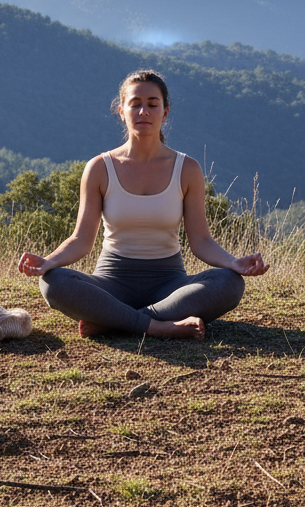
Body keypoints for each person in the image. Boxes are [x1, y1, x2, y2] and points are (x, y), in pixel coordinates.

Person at [17, 69, 269, 340]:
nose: (143, 112)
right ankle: (158, 326)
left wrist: (234, 263)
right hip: (111, 283)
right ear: (121, 110)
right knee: (54, 283)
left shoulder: (187, 169)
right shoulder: (100, 168)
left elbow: (202, 241)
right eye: (135, 104)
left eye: (152, 104)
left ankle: (114, 321)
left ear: (165, 112)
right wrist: (48, 262)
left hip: (170, 285)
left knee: (229, 283)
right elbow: (81, 239)